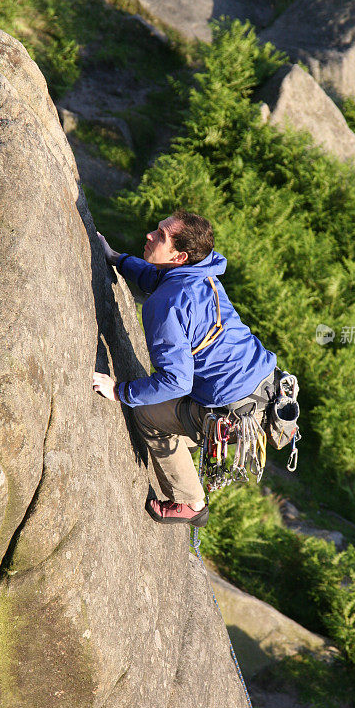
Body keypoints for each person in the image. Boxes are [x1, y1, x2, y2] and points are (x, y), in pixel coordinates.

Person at [93, 210, 277, 528]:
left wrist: (119, 391)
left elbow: (176, 381)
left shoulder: (166, 304)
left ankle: (190, 502)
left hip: (233, 413)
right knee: (163, 407)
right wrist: (117, 259)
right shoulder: (200, 274)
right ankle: (190, 442)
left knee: (147, 415)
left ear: (180, 256)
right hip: (264, 392)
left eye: (160, 236)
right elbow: (159, 276)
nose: (150, 234)